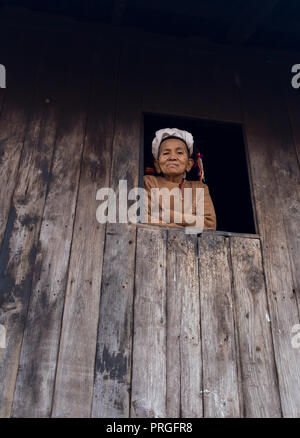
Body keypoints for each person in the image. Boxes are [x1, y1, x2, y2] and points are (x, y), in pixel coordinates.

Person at [143, 128, 217, 230]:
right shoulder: (149, 182)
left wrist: (168, 215)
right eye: (166, 153)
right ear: (157, 165)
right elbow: (144, 218)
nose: (172, 157)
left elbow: (209, 224)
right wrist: (187, 224)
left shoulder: (199, 188)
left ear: (189, 164)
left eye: (179, 153)